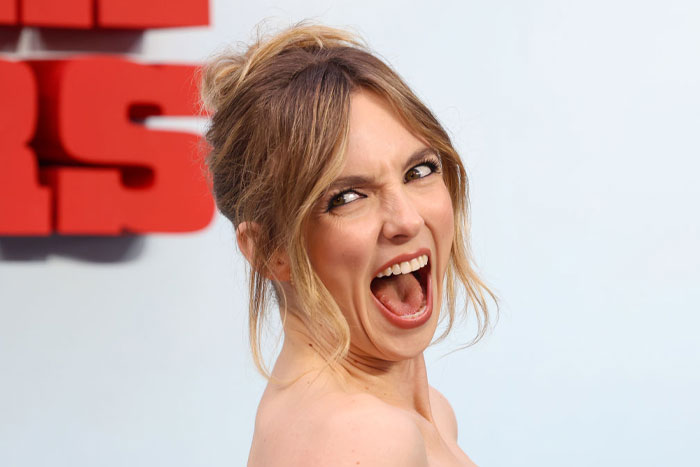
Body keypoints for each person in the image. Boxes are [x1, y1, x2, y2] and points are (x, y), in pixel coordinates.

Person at [201, 23, 495, 466]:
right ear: (268, 251)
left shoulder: (427, 415)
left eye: (419, 171)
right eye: (348, 198)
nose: (407, 220)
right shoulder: (364, 438)